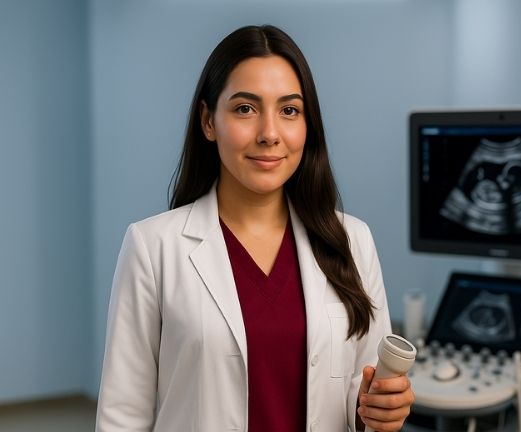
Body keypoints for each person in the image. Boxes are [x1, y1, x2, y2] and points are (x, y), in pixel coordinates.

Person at [96, 25, 414, 432]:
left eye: (289, 110)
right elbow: (122, 416)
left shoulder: (351, 241)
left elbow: (364, 393)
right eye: (245, 108)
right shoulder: (153, 247)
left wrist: (380, 411)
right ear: (208, 121)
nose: (269, 134)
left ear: (307, 125)